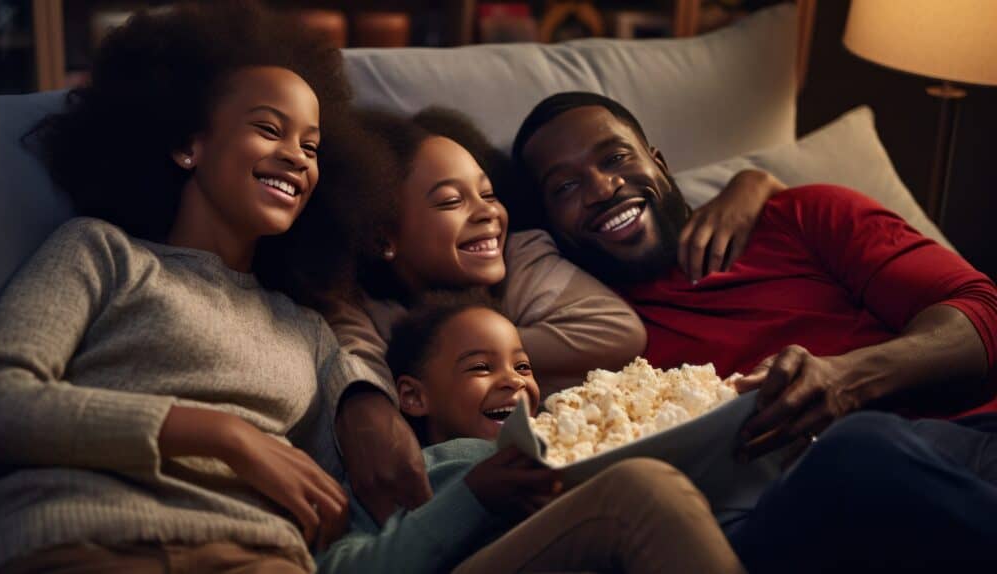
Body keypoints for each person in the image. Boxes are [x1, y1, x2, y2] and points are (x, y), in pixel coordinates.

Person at [0, 3, 396, 572]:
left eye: (312, 147)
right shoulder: (100, 252)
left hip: (256, 557)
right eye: (270, 128)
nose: (297, 156)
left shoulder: (307, 331)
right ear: (186, 145)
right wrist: (223, 435)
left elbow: (358, 494)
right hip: (81, 538)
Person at [510, 91, 997, 571]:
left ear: (658, 163)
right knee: (846, 455)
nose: (601, 188)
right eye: (565, 188)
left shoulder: (799, 216)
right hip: (788, 519)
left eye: (615, 157)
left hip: (964, 444)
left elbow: (983, 311)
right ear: (548, 228)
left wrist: (849, 377)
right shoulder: (591, 350)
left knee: (856, 446)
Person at [315, 108, 784, 523]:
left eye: (488, 194)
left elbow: (618, 331)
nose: (486, 214)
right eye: (451, 201)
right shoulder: (357, 305)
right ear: (382, 238)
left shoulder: (521, 258)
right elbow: (355, 360)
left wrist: (455, 353)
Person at [317, 296, 746, 574]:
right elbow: (340, 568)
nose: (514, 382)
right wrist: (472, 496)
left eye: (523, 366)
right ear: (413, 396)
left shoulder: (571, 438)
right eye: (481, 368)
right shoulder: (402, 471)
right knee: (646, 486)